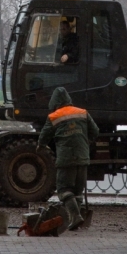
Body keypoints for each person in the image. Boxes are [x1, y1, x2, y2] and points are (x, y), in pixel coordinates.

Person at [37, 86, 99, 230]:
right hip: (83, 157)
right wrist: (85, 142)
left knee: (64, 189)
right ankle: (76, 221)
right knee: (77, 191)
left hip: (66, 158)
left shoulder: (54, 116)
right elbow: (95, 131)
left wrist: (41, 146)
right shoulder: (82, 112)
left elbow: (44, 136)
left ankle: (75, 216)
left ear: (54, 102)